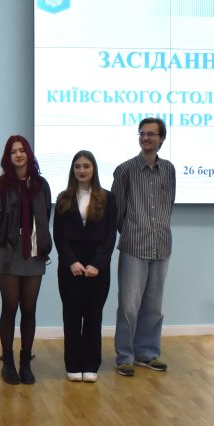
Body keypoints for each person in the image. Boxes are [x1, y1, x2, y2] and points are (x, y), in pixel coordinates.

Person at [0, 135, 52, 385]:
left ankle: (25, 362)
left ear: (28, 153)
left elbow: (45, 215)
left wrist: (40, 242)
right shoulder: (0, 186)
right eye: (13, 152)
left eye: (22, 150)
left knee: (29, 309)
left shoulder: (41, 185)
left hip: (33, 254)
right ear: (8, 157)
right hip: (8, 255)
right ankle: (8, 362)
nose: (18, 155)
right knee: (10, 308)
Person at [111, 117, 176, 377]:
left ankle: (147, 353)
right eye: (142, 133)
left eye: (151, 134)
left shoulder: (169, 169)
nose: (145, 138)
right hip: (134, 246)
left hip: (161, 245)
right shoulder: (124, 170)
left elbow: (168, 204)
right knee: (128, 306)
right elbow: (117, 212)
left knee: (153, 305)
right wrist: (132, 231)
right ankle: (125, 356)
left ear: (162, 139)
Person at [53, 150, 117, 383]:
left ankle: (91, 364)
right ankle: (73, 364)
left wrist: (97, 264)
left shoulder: (108, 198)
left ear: (94, 169)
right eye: (77, 166)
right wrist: (71, 261)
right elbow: (58, 235)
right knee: (71, 316)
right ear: (73, 170)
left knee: (93, 316)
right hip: (70, 267)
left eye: (86, 166)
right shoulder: (63, 197)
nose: (81, 170)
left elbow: (110, 235)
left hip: (97, 268)